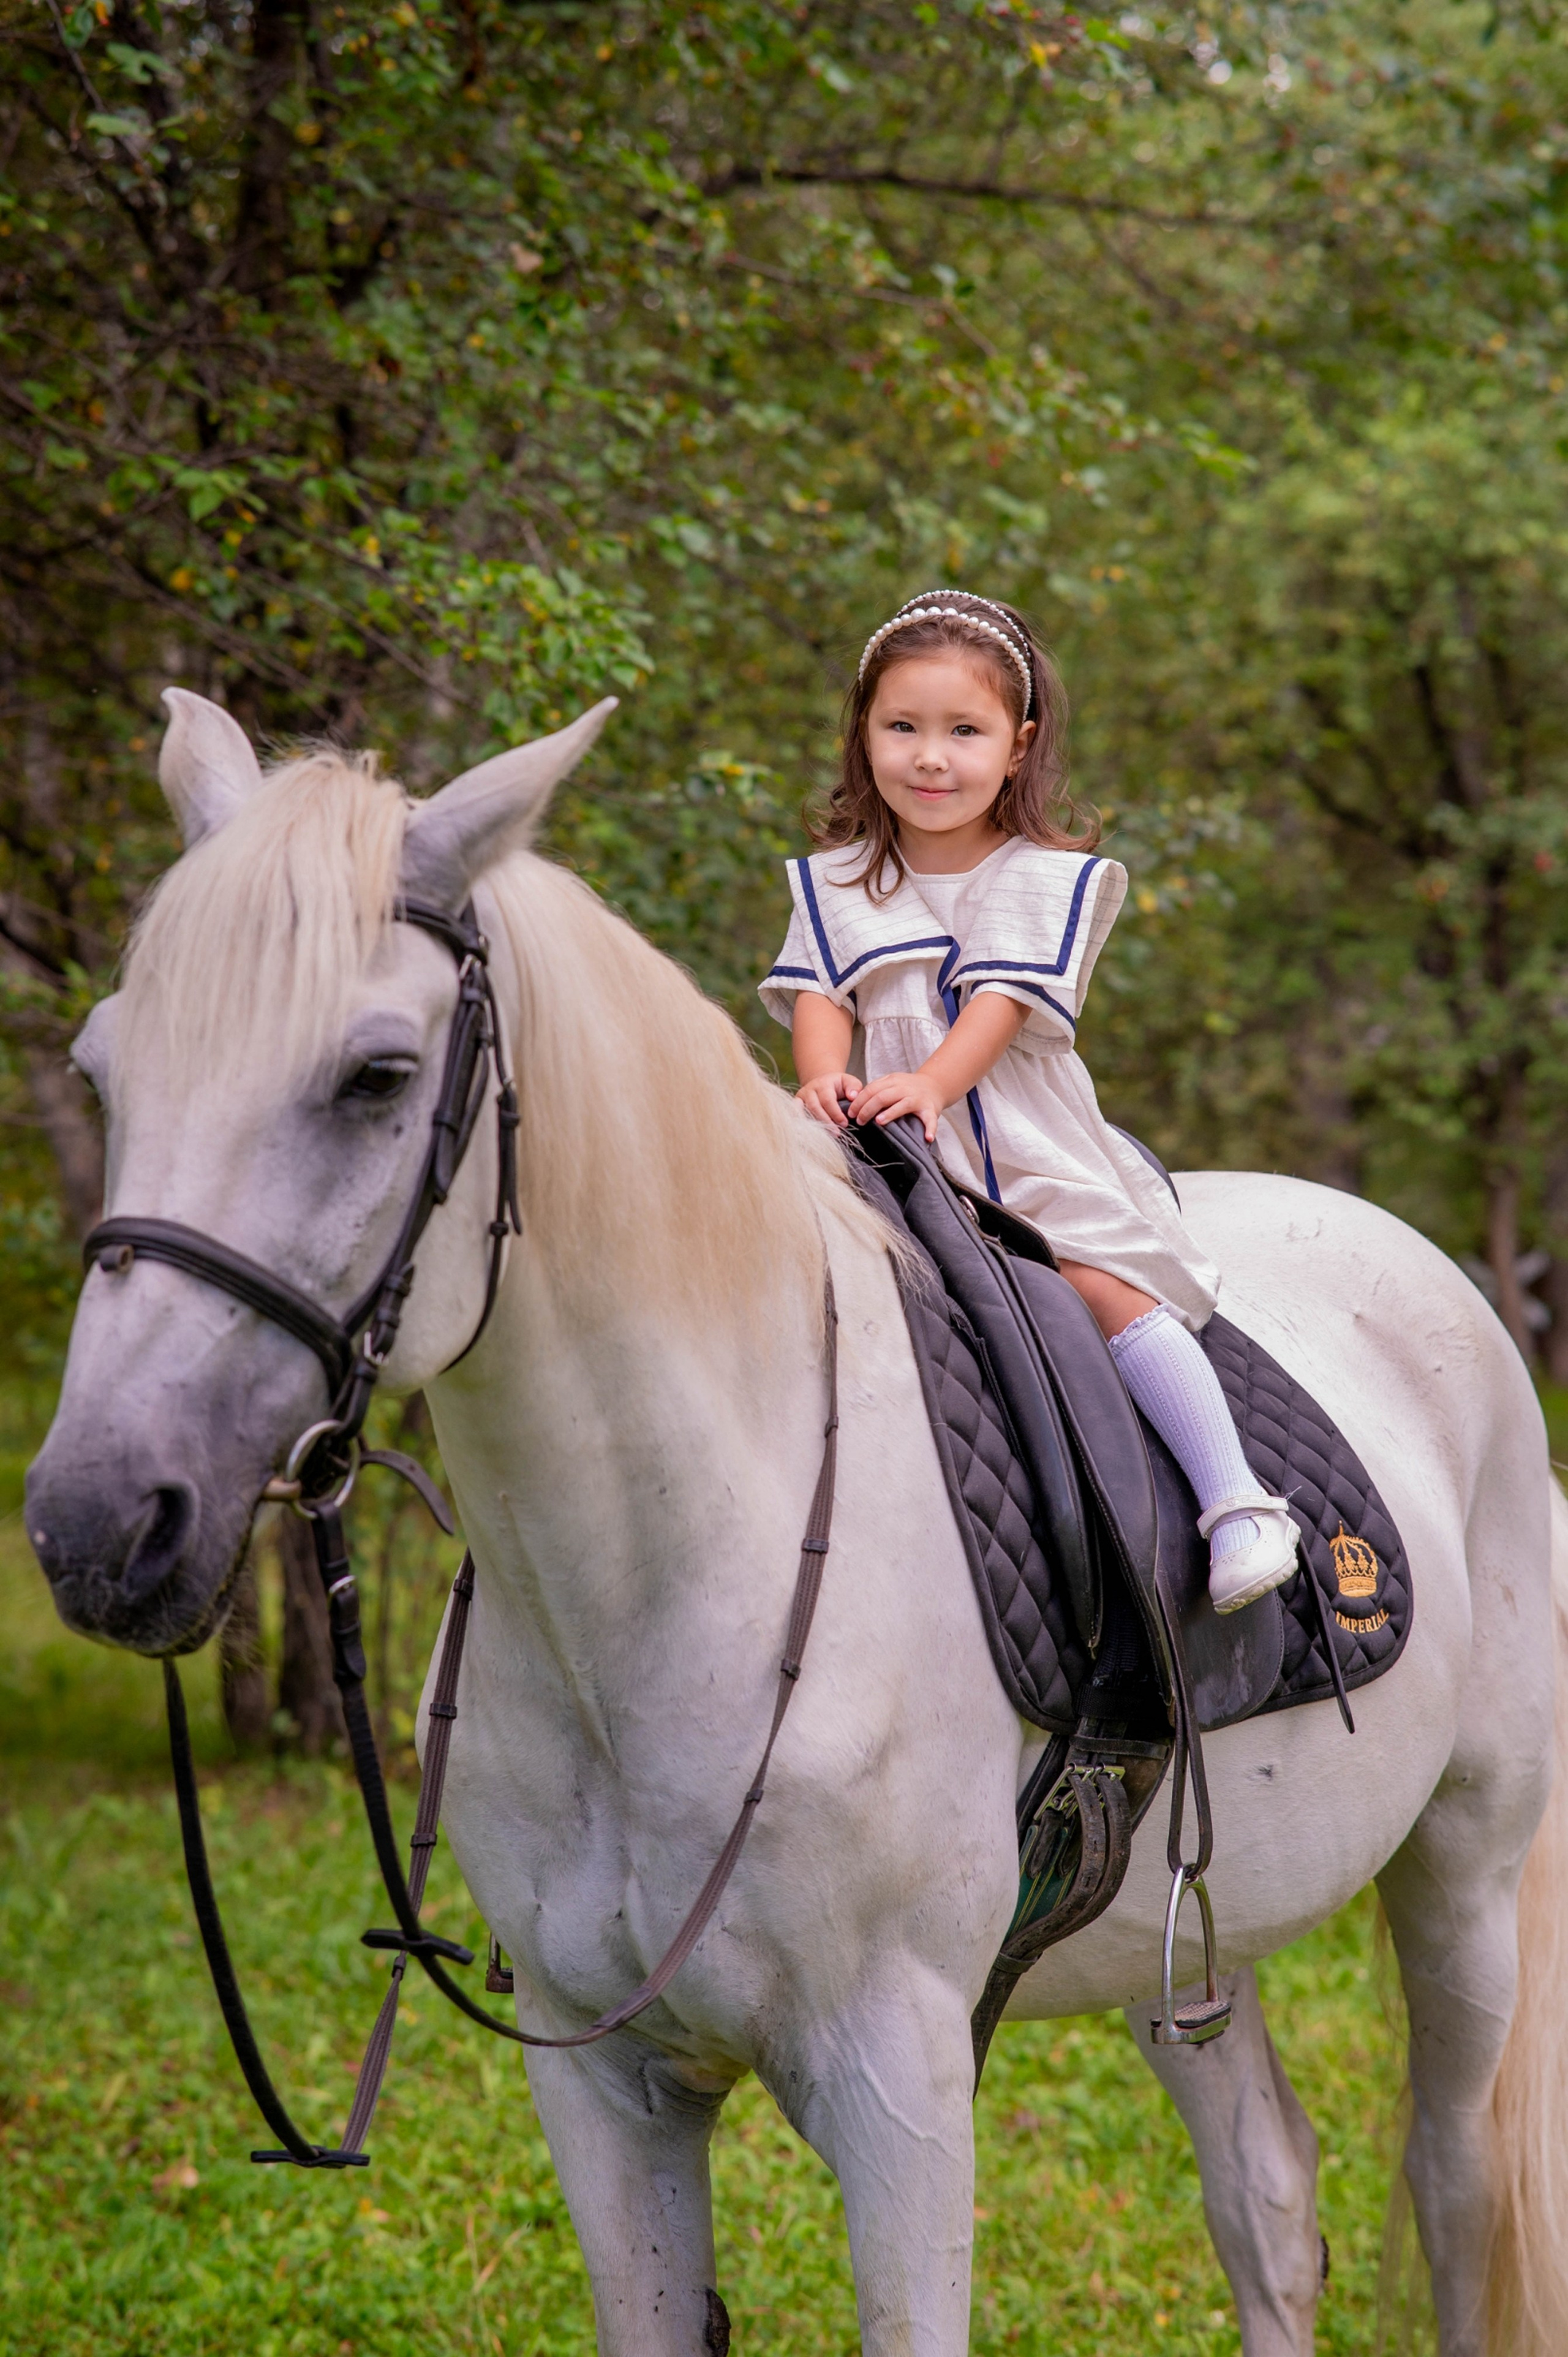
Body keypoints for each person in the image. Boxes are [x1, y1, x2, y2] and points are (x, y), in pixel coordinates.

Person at [760, 590, 1297, 1614]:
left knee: (1100, 1289)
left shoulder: (1040, 878)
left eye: (965, 732)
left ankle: (1236, 1499)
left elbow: (999, 1006)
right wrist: (823, 1072)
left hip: (1012, 1143)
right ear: (864, 735)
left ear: (1017, 747)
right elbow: (822, 993)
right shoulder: (839, 881)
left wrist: (932, 1081)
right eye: (903, 727)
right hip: (893, 1138)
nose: (931, 757)